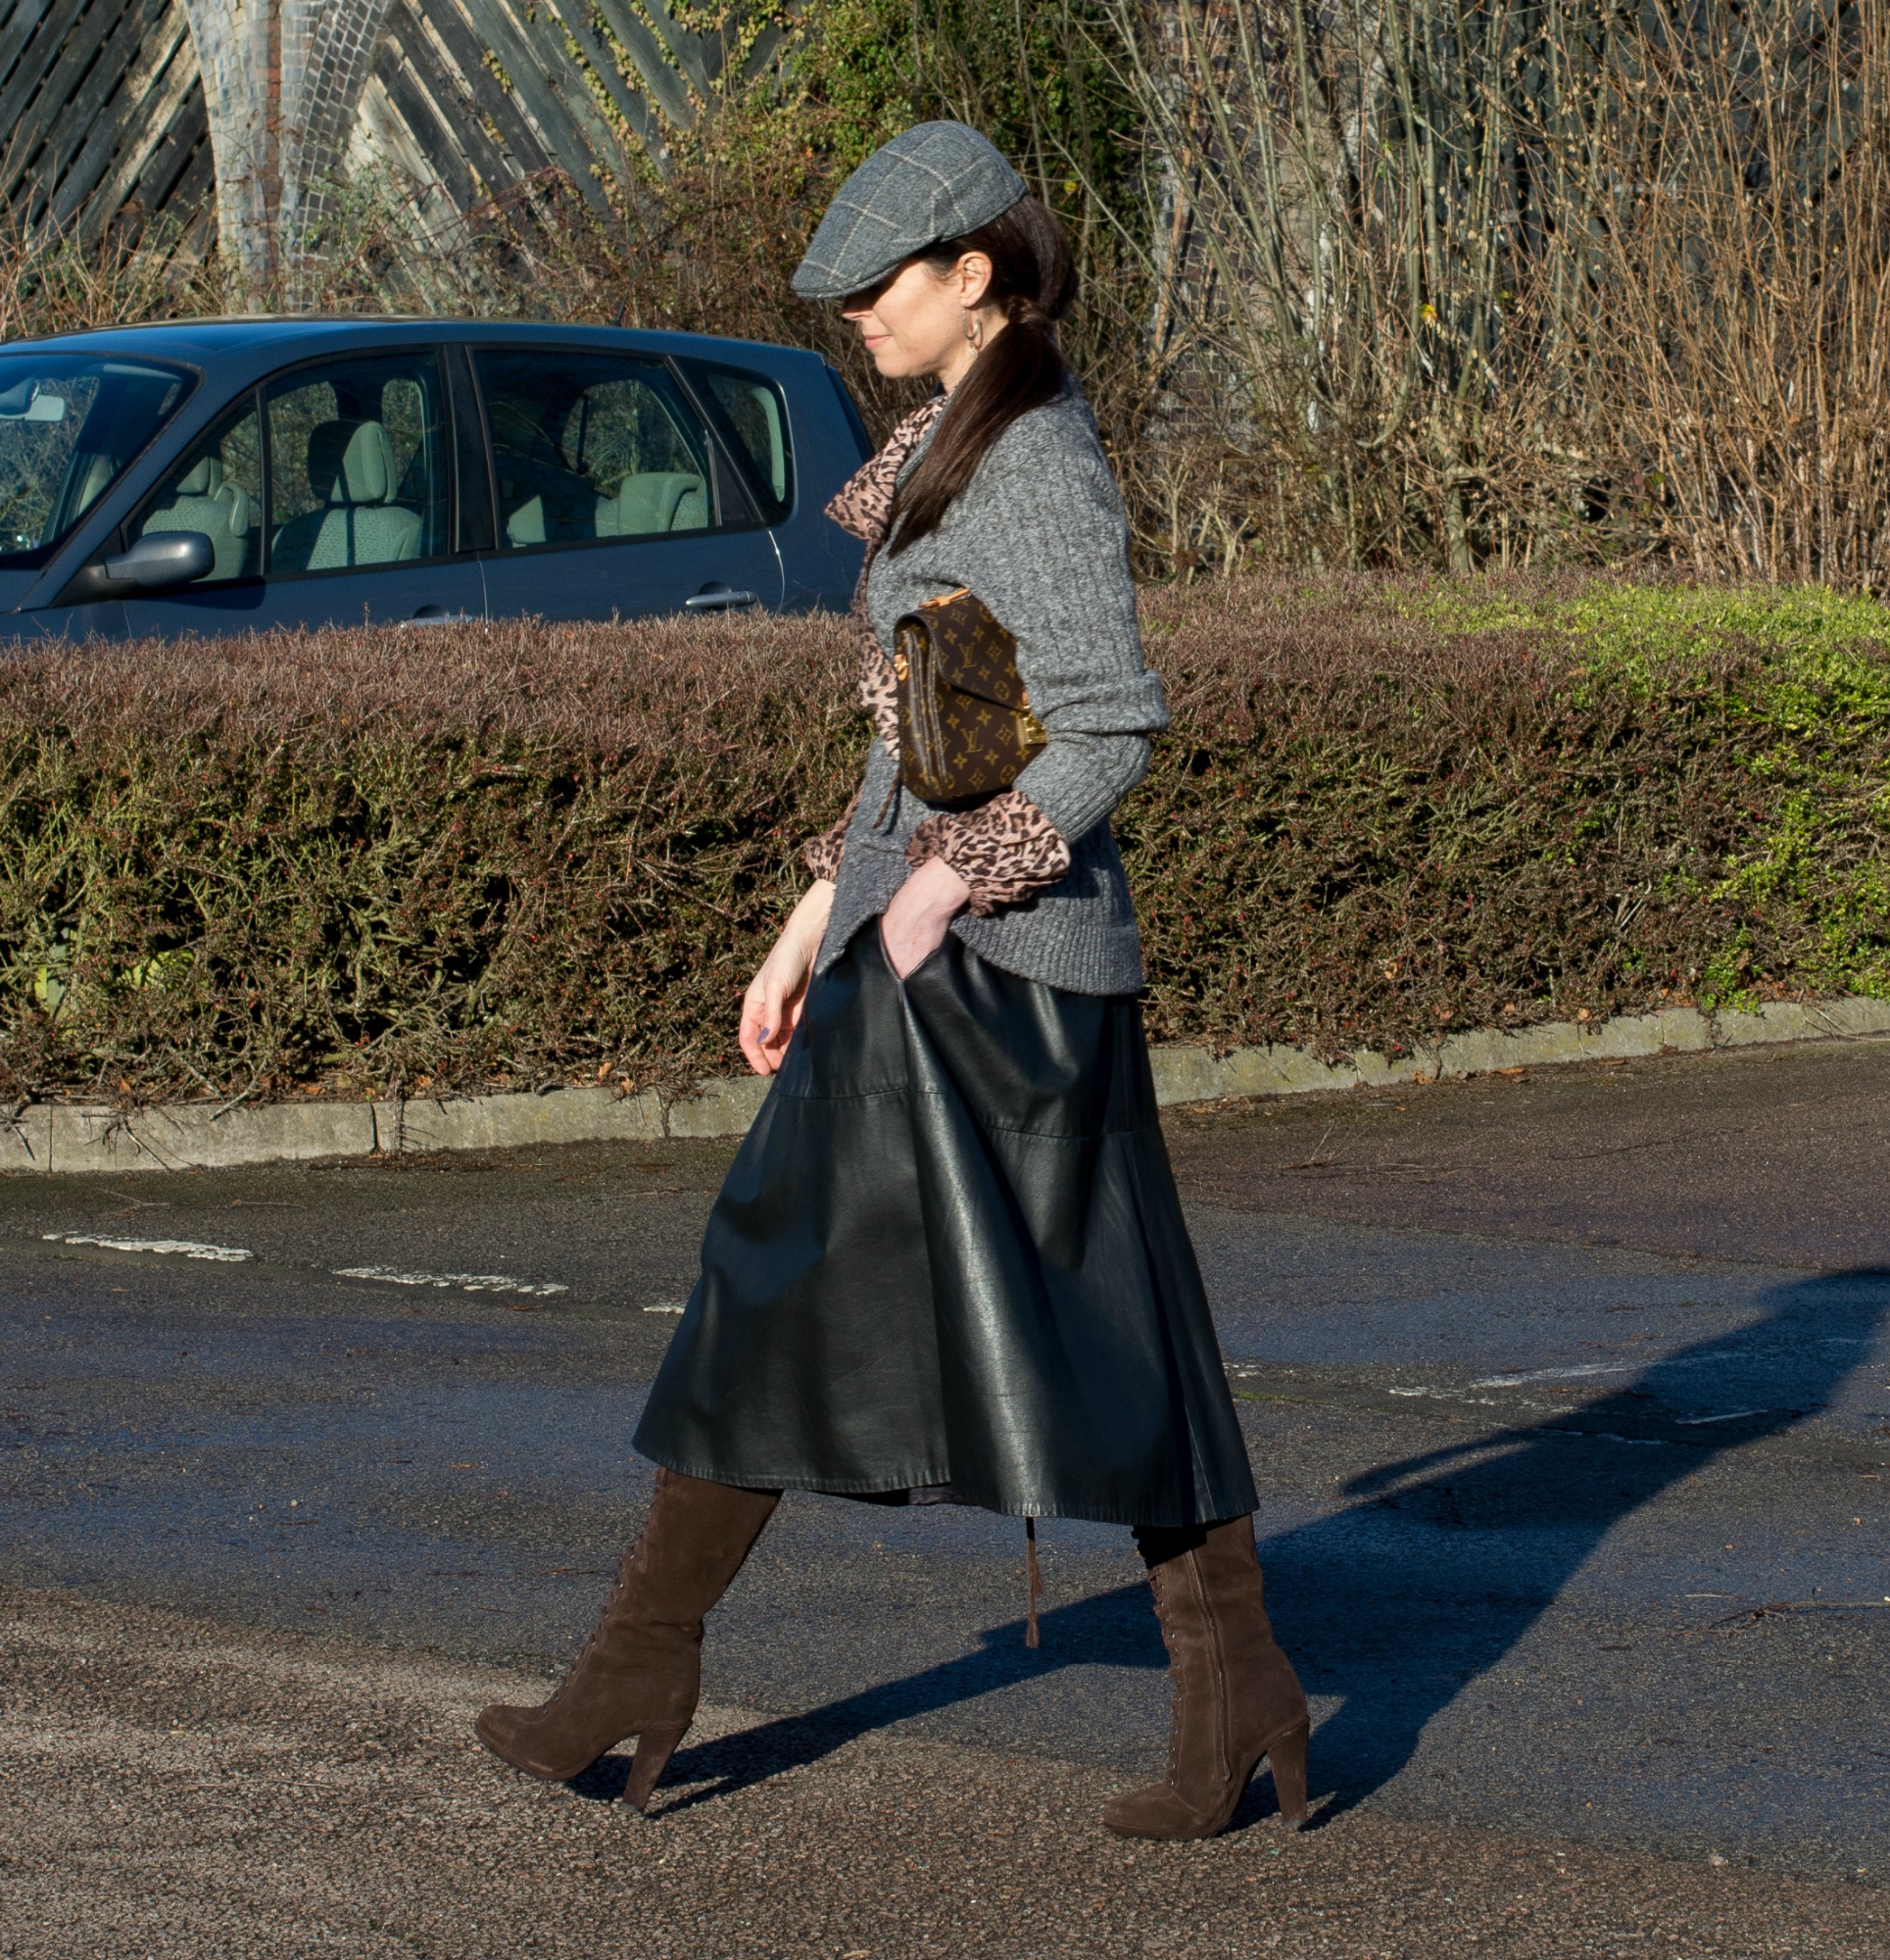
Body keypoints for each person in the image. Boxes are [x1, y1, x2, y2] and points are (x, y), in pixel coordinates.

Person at [473, 121, 1307, 1839]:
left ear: (974, 278)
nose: (853, 309)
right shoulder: (948, 445)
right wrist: (813, 921)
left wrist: (937, 897)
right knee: (839, 1299)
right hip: (927, 961)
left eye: (881, 284)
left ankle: (647, 1669)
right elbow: (918, 735)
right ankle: (1234, 1692)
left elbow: (1112, 724)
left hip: (1005, 985)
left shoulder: (1038, 466)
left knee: (1038, 1321)